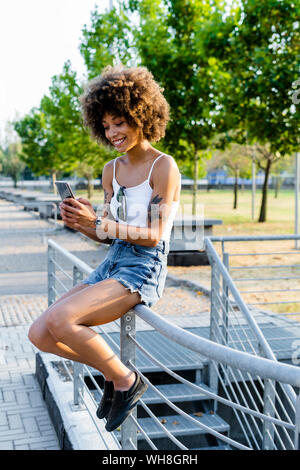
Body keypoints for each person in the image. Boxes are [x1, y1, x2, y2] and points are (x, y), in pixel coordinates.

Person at [28, 64, 181, 433]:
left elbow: (155, 234)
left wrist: (100, 224)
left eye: (120, 122)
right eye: (106, 125)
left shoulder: (165, 167)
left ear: (141, 114)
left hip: (142, 268)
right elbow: (108, 236)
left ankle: (126, 381)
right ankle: (116, 374)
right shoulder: (110, 170)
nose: (112, 132)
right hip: (113, 262)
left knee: (63, 321)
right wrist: (83, 223)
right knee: (39, 333)